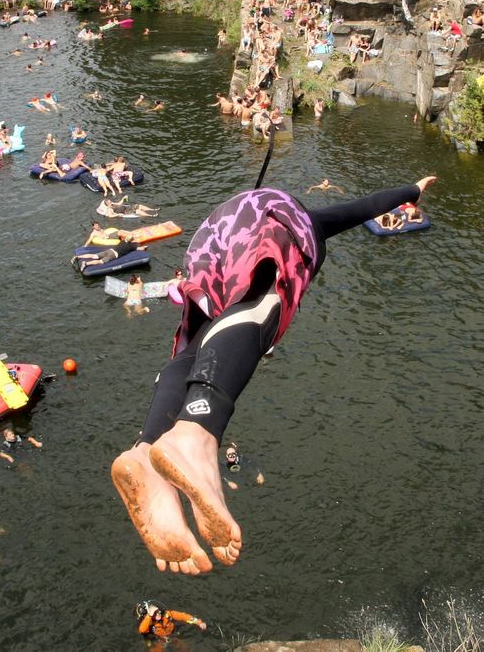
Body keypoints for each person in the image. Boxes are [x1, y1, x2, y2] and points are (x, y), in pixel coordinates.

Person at [111, 176, 437, 575]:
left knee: (194, 342)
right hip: (265, 229)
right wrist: (412, 190)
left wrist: (408, 191)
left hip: (209, 242)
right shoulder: (305, 226)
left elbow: (365, 205)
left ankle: (146, 452)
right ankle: (194, 436)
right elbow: (365, 207)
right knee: (264, 303)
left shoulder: (271, 213)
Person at [136, 602, 206, 639]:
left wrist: (199, 622)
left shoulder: (167, 614)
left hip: (173, 634)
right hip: (159, 640)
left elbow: (183, 616)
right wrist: (149, 616)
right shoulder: (148, 622)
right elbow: (142, 630)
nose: (158, 613)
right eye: (154, 613)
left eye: (158, 611)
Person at [73, 235, 147, 270]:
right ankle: (86, 264)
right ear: (132, 240)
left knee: (94, 256)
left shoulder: (122, 241)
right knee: (100, 262)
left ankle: (79, 257)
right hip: (113, 255)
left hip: (110, 250)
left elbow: (126, 238)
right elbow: (141, 249)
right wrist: (145, 247)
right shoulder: (132, 246)